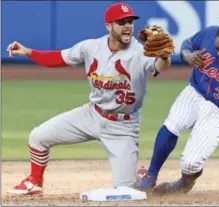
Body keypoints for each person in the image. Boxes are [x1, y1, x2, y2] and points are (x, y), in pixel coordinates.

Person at [6, 2, 171, 196]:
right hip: (92, 114)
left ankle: (141, 177)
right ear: (108, 26)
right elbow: (59, 58)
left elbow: (160, 67)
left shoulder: (140, 52)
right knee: (38, 136)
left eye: (130, 22)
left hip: (123, 127)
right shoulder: (91, 47)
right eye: (121, 22)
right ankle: (34, 182)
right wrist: (29, 52)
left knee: (126, 192)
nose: (127, 26)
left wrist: (164, 55)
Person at [133, 22, 219, 194]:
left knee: (190, 164)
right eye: (217, 48)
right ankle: (150, 176)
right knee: (172, 124)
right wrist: (188, 55)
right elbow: (187, 45)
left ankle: (184, 183)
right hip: (194, 91)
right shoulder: (209, 33)